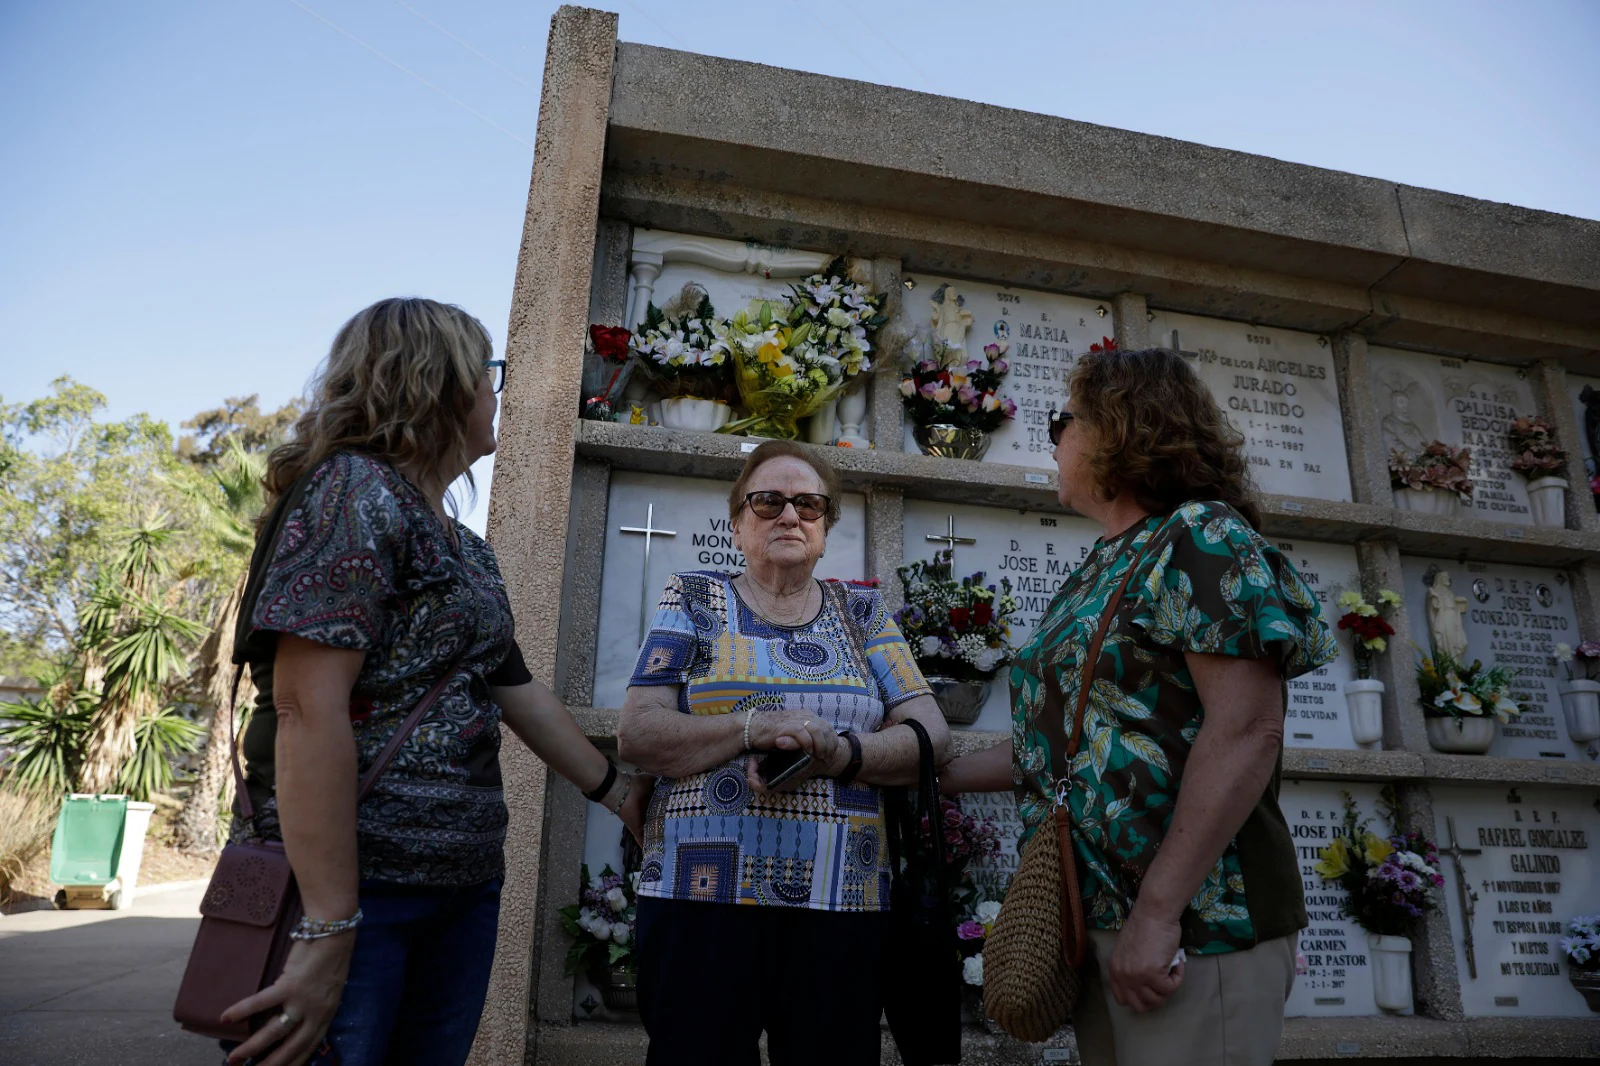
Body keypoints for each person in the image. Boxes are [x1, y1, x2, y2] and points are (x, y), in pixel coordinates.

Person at [217, 298, 647, 1066]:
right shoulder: (352, 492)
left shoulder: (464, 547)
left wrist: (618, 792)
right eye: (490, 374)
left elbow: (516, 690)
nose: (496, 394)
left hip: (461, 886)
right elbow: (306, 707)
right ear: (440, 382)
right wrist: (327, 925)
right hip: (362, 895)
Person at [942, 348, 1337, 1066]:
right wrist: (915, 765)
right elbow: (1066, 749)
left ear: (1117, 430)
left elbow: (1248, 729)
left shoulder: (1202, 537)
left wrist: (1157, 916)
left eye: (1063, 421)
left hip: (1195, 924)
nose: (1053, 439)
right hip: (1102, 920)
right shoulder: (1105, 561)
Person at [616, 440, 950, 1066]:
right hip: (700, 901)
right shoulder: (694, 597)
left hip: (842, 900)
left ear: (826, 527)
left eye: (809, 505)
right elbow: (640, 732)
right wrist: (755, 727)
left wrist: (840, 754)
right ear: (738, 521)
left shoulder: (865, 613)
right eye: (768, 501)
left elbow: (932, 738)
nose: (789, 516)